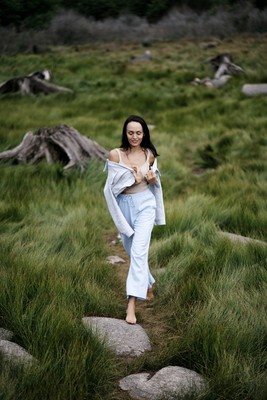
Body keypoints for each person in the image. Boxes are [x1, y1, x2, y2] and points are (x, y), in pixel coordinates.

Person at [104, 115, 165, 324]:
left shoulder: (149, 155)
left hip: (145, 205)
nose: (135, 136)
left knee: (139, 252)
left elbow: (155, 181)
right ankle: (147, 283)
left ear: (144, 133)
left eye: (139, 133)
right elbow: (110, 188)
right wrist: (132, 178)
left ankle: (131, 306)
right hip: (124, 208)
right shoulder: (115, 155)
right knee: (132, 252)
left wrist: (152, 179)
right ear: (125, 133)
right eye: (131, 132)